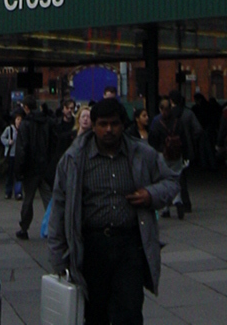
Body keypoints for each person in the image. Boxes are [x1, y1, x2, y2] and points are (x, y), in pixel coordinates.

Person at [48, 97, 177, 325]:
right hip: (92, 246)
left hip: (128, 245)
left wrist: (150, 195)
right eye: (103, 124)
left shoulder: (141, 154)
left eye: (115, 124)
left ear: (123, 125)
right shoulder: (74, 159)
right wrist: (58, 257)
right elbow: (59, 206)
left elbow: (171, 181)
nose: (109, 129)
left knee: (129, 312)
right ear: (93, 125)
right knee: (95, 314)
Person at [14, 95, 56, 240]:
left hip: (31, 169)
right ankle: (55, 226)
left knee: (28, 200)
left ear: (26, 108)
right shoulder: (46, 122)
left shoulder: (25, 125)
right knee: (49, 198)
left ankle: (24, 228)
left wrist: (19, 170)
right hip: (45, 167)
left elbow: (22, 149)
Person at [1, 112, 21, 200]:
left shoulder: (22, 129)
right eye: (18, 119)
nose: (19, 121)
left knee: (18, 174)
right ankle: (8, 192)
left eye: (20, 119)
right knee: (9, 175)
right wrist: (8, 142)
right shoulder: (9, 129)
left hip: (18, 155)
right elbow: (2, 137)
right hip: (10, 155)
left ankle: (18, 192)